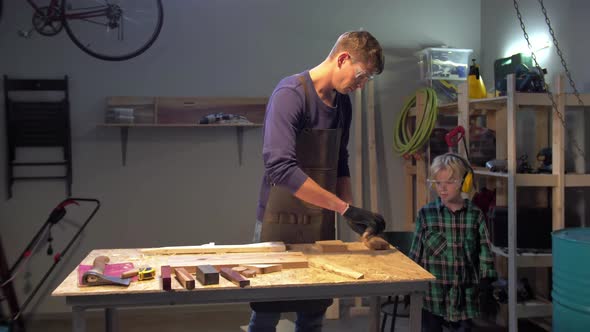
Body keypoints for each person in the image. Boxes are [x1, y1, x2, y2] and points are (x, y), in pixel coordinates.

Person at [249, 31, 388, 332]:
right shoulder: (290, 94)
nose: (361, 87)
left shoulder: (343, 105)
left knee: (313, 314)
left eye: (367, 81)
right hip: (278, 223)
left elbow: (340, 161)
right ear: (342, 59)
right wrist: (343, 208)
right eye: (361, 76)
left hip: (320, 222)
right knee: (267, 313)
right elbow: (280, 168)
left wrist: (351, 212)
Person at [408, 153, 497, 332]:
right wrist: (409, 284)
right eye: (438, 183)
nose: (442, 188)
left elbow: (485, 250)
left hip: (466, 295)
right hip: (433, 295)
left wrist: (487, 281)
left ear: (464, 182)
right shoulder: (426, 214)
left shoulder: (475, 215)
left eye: (449, 182)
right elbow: (416, 252)